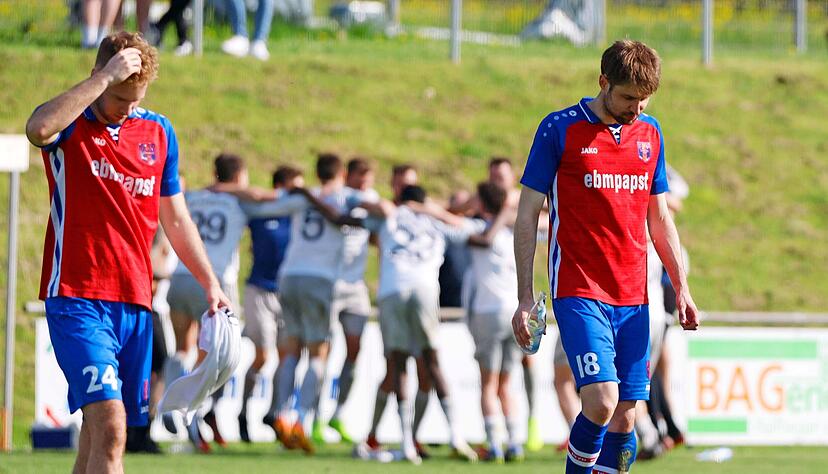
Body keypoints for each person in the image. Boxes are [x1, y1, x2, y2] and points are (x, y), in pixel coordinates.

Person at [24, 32, 231, 474]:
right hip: (77, 295)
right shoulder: (72, 122)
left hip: (135, 301)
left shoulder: (159, 131)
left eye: (136, 99)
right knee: (112, 426)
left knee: (96, 434)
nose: (127, 108)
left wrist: (210, 283)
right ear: (99, 77)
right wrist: (103, 80)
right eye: (119, 97)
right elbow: (37, 129)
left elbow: (176, 220)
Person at [511, 40, 699, 474]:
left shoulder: (650, 134)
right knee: (600, 401)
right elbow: (526, 215)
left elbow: (660, 219)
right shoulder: (559, 128)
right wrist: (524, 296)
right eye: (628, 97)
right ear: (603, 82)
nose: (636, 108)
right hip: (579, 289)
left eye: (644, 100)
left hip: (635, 295)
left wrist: (682, 288)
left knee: (627, 417)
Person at [355, 185, 479, 464]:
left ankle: (407, 445)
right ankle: (456, 437)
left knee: (398, 364)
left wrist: (387, 207)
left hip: (392, 289)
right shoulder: (435, 220)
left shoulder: (390, 215)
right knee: (432, 362)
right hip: (424, 288)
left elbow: (358, 217)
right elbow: (464, 229)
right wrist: (434, 210)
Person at [310, 158, 379, 444]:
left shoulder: (370, 200)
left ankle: (338, 413)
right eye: (360, 177)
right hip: (329, 281)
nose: (364, 183)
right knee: (322, 351)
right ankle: (314, 417)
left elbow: (375, 233)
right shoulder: (335, 196)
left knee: (355, 350)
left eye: (368, 178)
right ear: (347, 175)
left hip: (355, 285)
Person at [237, 165, 303, 443]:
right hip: (260, 290)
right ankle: (243, 413)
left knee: (288, 356)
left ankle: (274, 412)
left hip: (286, 293)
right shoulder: (260, 211)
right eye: (295, 187)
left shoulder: (297, 215)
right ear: (280, 187)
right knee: (263, 356)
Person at [462, 182, 524, 463]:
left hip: (488, 313)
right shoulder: (513, 230)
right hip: (513, 312)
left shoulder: (477, 229)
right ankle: (515, 442)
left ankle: (495, 444)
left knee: (488, 384)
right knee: (506, 384)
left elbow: (454, 222)